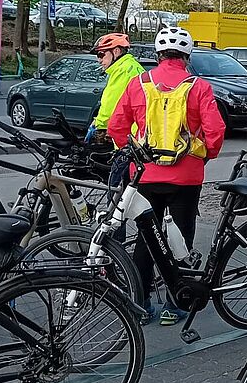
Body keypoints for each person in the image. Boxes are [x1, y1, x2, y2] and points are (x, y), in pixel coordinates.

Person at [108, 27, 226, 325]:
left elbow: (116, 126)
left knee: (146, 240)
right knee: (181, 239)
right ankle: (177, 305)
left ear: (158, 54)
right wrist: (203, 156)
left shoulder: (139, 83)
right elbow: (216, 132)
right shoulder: (198, 87)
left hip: (144, 176)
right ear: (187, 56)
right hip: (186, 177)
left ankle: (140, 303)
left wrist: (132, 152)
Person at [86, 34, 145, 190]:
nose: (99, 59)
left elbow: (111, 106)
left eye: (101, 54)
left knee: (116, 190)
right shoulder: (128, 67)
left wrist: (97, 125)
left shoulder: (124, 71)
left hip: (128, 141)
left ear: (117, 51)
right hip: (134, 139)